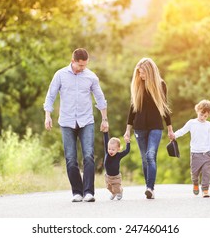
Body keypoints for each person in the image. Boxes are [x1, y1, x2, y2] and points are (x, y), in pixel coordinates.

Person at [43, 48, 109, 203]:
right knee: (71, 158)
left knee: (88, 156)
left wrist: (105, 119)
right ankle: (77, 192)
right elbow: (50, 95)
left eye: (85, 65)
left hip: (86, 121)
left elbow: (100, 98)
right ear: (72, 61)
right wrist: (47, 116)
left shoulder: (91, 77)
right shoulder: (60, 75)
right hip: (66, 122)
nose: (82, 68)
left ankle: (88, 192)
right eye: (80, 65)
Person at [123, 58, 174, 199]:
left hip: (156, 126)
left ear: (150, 72)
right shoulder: (137, 85)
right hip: (139, 128)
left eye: (143, 73)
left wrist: (170, 129)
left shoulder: (161, 85)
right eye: (139, 73)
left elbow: (164, 108)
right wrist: (127, 130)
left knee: (150, 155)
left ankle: (150, 188)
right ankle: (148, 187)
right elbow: (132, 109)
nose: (141, 75)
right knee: (145, 159)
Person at [173, 99, 210, 198]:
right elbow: (183, 131)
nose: (203, 117)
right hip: (195, 154)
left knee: (206, 174)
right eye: (201, 114)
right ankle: (195, 184)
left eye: (205, 116)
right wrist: (174, 135)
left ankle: (205, 190)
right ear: (198, 110)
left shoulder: (209, 125)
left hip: (207, 154)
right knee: (194, 174)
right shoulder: (192, 123)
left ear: (208, 115)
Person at [103, 131, 130, 200]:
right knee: (108, 187)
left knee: (116, 187)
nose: (110, 151)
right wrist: (105, 132)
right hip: (108, 176)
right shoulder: (107, 153)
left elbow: (127, 151)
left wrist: (128, 142)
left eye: (113, 149)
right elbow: (106, 140)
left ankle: (119, 191)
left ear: (118, 149)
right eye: (109, 149)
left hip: (116, 177)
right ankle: (113, 193)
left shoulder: (119, 155)